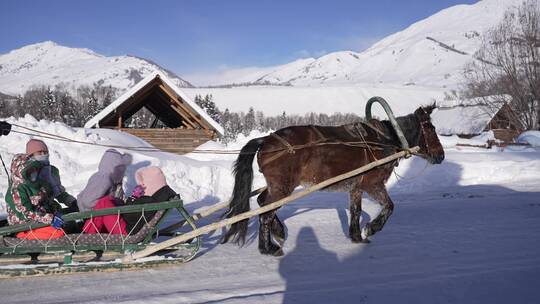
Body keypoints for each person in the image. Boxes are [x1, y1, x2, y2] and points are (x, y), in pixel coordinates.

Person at [5, 153, 65, 239]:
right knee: (58, 234)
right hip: (24, 226)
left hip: (41, 222)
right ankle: (22, 237)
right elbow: (26, 213)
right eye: (30, 171)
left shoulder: (38, 184)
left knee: (68, 225)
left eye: (35, 169)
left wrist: (56, 211)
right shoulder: (16, 190)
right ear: (21, 172)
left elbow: (47, 201)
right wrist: (49, 218)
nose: (34, 172)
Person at [78, 149, 131, 235]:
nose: (123, 172)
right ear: (114, 166)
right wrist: (111, 202)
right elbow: (88, 201)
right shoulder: (104, 179)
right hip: (93, 218)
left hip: (99, 217)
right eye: (121, 168)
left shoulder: (112, 180)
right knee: (105, 203)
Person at [25, 139, 78, 213]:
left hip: (51, 208)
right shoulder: (26, 173)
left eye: (45, 152)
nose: (43, 155)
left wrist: (72, 202)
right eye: (39, 153)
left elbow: (59, 193)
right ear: (31, 156)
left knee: (70, 222)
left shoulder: (52, 171)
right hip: (35, 212)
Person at [123, 166, 179, 234]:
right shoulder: (167, 194)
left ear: (148, 183)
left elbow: (128, 212)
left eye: (142, 184)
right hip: (138, 227)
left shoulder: (149, 200)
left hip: (130, 231)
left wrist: (134, 196)